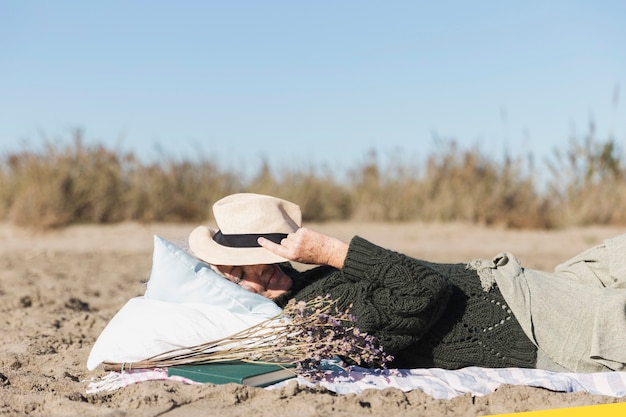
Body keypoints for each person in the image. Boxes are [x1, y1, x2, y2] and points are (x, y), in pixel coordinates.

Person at [188, 193, 626, 373]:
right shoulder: (312, 322)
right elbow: (423, 291)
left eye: (264, 256)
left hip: (521, 285)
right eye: (242, 271)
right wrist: (332, 250)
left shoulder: (312, 283)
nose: (261, 269)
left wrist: (323, 261)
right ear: (232, 287)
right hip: (529, 324)